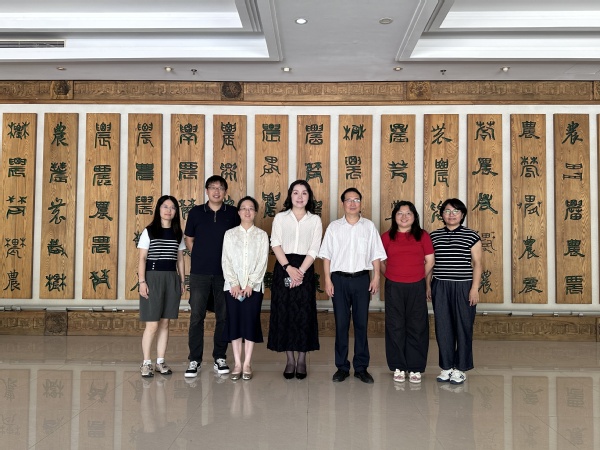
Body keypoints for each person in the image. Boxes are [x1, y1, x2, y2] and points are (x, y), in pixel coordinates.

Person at [319, 187, 387, 384]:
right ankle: (341, 367)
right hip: (339, 280)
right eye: (348, 200)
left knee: (361, 324)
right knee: (341, 324)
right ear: (343, 204)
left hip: (361, 280)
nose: (352, 203)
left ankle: (361, 367)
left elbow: (376, 254)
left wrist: (376, 277)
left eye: (356, 199)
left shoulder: (369, 227)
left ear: (360, 203)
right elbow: (326, 256)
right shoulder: (334, 227)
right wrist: (327, 279)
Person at [184, 175, 241, 378]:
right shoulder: (196, 212)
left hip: (225, 274)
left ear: (225, 191)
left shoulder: (233, 213)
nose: (217, 191)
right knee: (196, 316)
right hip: (199, 273)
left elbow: (239, 239)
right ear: (206, 190)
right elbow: (189, 238)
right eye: (213, 187)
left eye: (220, 188)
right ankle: (194, 360)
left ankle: (220, 357)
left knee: (223, 316)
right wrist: (199, 255)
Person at [267, 180, 322, 379]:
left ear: (309, 197)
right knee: (285, 313)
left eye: (304, 193)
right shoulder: (281, 218)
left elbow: (314, 248)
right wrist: (288, 268)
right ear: (290, 196)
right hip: (284, 266)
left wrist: (300, 271)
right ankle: (290, 360)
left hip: (305, 268)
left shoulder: (314, 220)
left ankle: (302, 359)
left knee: (304, 313)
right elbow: (275, 243)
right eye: (296, 193)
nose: (300, 197)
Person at [427, 198, 482, 385]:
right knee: (443, 327)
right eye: (447, 211)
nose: (451, 215)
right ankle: (446, 367)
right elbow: (430, 264)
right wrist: (428, 286)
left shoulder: (471, 236)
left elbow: (477, 264)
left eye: (456, 211)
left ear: (462, 214)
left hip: (464, 286)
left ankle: (460, 368)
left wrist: (474, 288)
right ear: (442, 214)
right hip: (440, 286)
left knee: (463, 327)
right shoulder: (434, 236)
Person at [381, 201, 434, 384]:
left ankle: (415, 367)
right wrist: (390, 275)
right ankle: (398, 366)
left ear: (414, 217)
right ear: (394, 217)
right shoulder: (386, 237)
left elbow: (430, 261)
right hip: (394, 286)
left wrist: (418, 276)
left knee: (417, 326)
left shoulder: (423, 236)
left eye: (408, 213)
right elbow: (380, 261)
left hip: (416, 285)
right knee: (395, 325)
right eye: (400, 213)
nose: (404, 217)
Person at [137, 195, 186, 377]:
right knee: (152, 324)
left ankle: (160, 361)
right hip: (153, 278)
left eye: (172, 207)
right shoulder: (149, 231)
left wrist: (182, 281)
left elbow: (180, 259)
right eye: (165, 206)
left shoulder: (177, 233)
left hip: (171, 278)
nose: (168, 210)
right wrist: (142, 282)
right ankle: (146, 363)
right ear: (159, 209)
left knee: (165, 323)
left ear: (176, 212)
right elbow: (142, 258)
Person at [221, 196, 269, 381]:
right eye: (243, 208)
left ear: (255, 212)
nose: (247, 211)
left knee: (250, 323)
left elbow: (262, 261)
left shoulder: (262, 235)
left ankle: (247, 363)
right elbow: (226, 260)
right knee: (234, 323)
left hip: (253, 289)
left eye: (251, 208)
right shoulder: (230, 234)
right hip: (232, 288)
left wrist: (251, 284)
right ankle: (237, 364)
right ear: (239, 212)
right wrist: (234, 283)